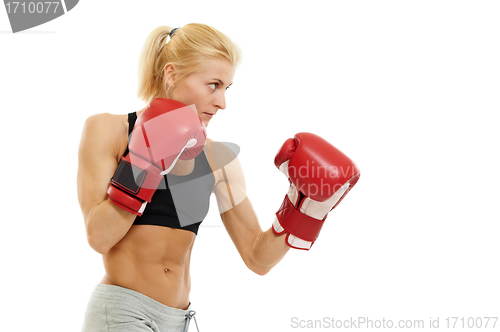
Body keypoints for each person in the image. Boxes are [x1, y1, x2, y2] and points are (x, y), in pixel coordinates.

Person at [77, 23, 360, 332]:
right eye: (213, 85)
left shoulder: (218, 161)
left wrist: (304, 208)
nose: (222, 102)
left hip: (178, 320)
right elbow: (99, 237)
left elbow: (257, 258)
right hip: (124, 313)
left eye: (227, 88)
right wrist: (146, 160)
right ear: (171, 74)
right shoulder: (110, 130)